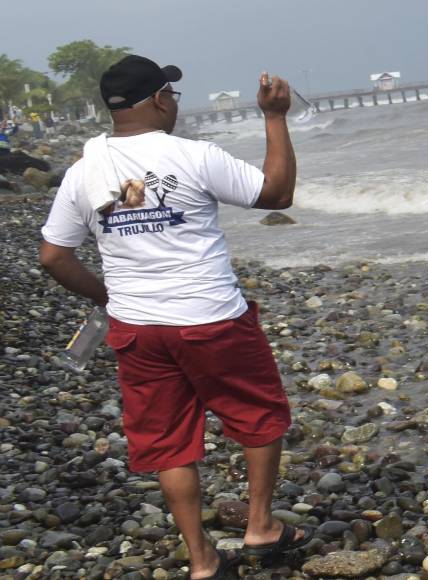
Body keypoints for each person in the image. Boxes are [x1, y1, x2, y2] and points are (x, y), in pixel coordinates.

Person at [38, 55, 307, 579]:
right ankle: (259, 526)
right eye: (172, 95)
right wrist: (275, 117)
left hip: (137, 330)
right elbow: (276, 194)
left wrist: (108, 298)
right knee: (257, 416)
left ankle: (202, 559)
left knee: (166, 442)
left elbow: (54, 256)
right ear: (161, 100)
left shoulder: (83, 171)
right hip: (212, 319)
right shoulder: (193, 155)